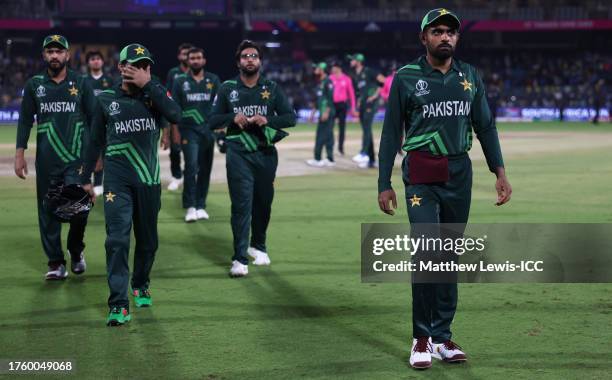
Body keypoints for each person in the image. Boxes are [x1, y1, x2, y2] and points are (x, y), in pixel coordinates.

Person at [377, 9, 512, 369]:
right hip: (421, 172)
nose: (444, 37)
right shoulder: (405, 78)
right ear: (424, 38)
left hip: (458, 173)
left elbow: (486, 127)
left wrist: (499, 172)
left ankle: (441, 336)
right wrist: (383, 182)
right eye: (437, 31)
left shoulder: (470, 76)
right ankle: (421, 337)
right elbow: (392, 133)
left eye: (450, 32)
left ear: (457, 38)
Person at [82, 43, 181, 326]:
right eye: (135, 65)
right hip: (117, 180)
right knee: (117, 239)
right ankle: (118, 303)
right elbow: (94, 141)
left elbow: (176, 115)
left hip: (149, 180)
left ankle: (140, 282)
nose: (141, 69)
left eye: (145, 65)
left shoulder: (156, 91)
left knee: (148, 242)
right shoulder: (106, 99)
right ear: (122, 67)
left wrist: (149, 85)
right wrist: (84, 178)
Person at [209, 40, 296, 277]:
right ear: (238, 62)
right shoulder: (227, 88)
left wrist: (269, 120)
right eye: (245, 56)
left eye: (254, 56)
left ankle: (258, 245)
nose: (250, 59)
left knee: (263, 203)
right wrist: (231, 117)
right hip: (237, 153)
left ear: (260, 61)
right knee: (241, 205)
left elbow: (291, 117)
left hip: (266, 153)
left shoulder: (272, 87)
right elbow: (212, 121)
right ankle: (239, 259)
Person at [15, 34, 93, 280]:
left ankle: (76, 251)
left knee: (79, 208)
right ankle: (56, 263)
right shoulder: (34, 84)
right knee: (48, 209)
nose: (55, 55)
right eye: (50, 51)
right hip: (47, 161)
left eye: (59, 51)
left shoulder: (81, 82)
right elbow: (25, 120)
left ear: (68, 55)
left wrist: (96, 154)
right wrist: (20, 154)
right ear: (44, 55)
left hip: (76, 159)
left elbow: (94, 120)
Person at [171, 47, 221, 222]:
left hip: (208, 131)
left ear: (204, 60)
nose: (195, 60)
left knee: (205, 169)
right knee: (191, 167)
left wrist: (220, 128)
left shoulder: (213, 80)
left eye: (198, 57)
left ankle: (201, 205)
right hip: (188, 130)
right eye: (192, 58)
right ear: (188, 60)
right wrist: (174, 132)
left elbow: (220, 106)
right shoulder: (179, 81)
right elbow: (175, 109)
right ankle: (190, 206)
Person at [83, 50, 114, 196]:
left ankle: (99, 182)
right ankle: (86, 180)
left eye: (98, 58)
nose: (95, 61)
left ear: (102, 62)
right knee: (88, 152)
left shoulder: (110, 80)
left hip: (106, 123)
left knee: (105, 152)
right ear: (88, 63)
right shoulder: (84, 81)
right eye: (92, 59)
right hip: (88, 123)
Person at [166, 43, 194, 191]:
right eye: (184, 53)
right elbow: (168, 95)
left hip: (193, 119)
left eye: (188, 53)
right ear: (179, 56)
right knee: (175, 149)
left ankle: (190, 176)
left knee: (193, 150)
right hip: (177, 117)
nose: (186, 56)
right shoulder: (173, 73)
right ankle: (176, 177)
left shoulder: (197, 72)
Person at [349, 53, 381, 168]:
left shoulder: (368, 71)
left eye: (352, 59)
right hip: (363, 104)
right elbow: (360, 91)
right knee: (366, 130)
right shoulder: (356, 75)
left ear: (358, 61)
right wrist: (358, 101)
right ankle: (371, 160)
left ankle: (363, 152)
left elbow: (382, 81)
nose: (350, 61)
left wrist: (374, 95)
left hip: (370, 104)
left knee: (367, 126)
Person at [306, 62, 336, 168]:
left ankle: (320, 159)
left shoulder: (328, 82)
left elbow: (330, 99)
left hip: (327, 113)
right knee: (326, 135)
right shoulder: (320, 82)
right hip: (322, 113)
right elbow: (317, 101)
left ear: (322, 70)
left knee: (323, 136)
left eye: (317, 68)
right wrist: (312, 115)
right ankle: (328, 159)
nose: (315, 70)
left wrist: (326, 112)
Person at [329, 62, 355, 155]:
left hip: (342, 105)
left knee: (342, 128)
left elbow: (351, 94)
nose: (332, 69)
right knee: (329, 127)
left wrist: (353, 107)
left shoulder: (347, 79)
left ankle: (340, 148)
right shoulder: (330, 78)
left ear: (338, 68)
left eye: (334, 67)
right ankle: (330, 147)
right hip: (332, 105)